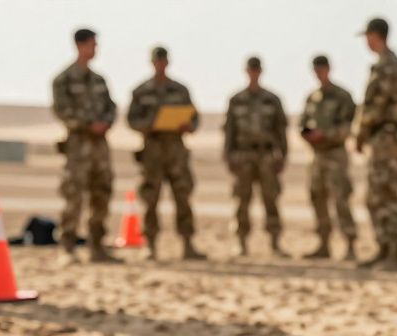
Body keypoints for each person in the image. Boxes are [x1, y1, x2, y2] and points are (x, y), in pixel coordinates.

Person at [127, 46, 204, 260]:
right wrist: (150, 125)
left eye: (163, 61)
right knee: (150, 197)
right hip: (152, 150)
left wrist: (187, 125)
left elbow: (194, 118)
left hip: (176, 151)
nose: (160, 65)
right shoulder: (141, 91)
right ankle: (150, 244)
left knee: (183, 196)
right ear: (152, 63)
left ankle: (187, 243)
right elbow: (131, 120)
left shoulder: (180, 90)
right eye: (157, 61)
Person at [51, 27, 117, 264]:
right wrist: (88, 124)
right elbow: (62, 110)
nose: (95, 49)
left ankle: (97, 246)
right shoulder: (63, 80)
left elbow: (111, 108)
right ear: (80, 45)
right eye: (93, 44)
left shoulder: (99, 80)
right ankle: (67, 246)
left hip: (100, 147)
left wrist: (105, 123)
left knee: (102, 194)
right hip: (78, 147)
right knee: (74, 196)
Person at [356, 17, 397, 270]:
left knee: (386, 193)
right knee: (376, 194)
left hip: (385, 136)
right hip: (382, 137)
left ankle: (395, 251)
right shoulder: (390, 65)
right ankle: (384, 247)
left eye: (367, 36)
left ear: (375, 35)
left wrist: (361, 132)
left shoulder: (388, 67)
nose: (366, 42)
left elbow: (376, 105)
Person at [223, 56, 287, 257]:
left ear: (260, 71)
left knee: (271, 199)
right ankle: (241, 243)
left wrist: (282, 156)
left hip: (266, 156)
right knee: (242, 200)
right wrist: (228, 156)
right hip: (243, 156)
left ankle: (275, 243)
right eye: (251, 69)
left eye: (256, 70)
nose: (254, 73)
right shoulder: (236, 100)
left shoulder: (272, 100)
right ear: (246, 71)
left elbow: (281, 131)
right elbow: (229, 132)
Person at [299, 55, 357, 261]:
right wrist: (308, 135)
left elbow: (348, 126)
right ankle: (323, 243)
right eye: (316, 70)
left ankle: (350, 243)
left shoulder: (342, 96)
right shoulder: (311, 98)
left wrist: (327, 134)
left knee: (341, 199)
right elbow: (303, 124)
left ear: (329, 69)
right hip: (316, 155)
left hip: (335, 154)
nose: (319, 73)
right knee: (317, 198)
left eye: (321, 69)